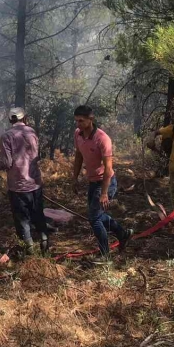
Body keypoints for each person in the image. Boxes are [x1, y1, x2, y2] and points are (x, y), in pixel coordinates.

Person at [72, 105, 133, 264]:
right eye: (76, 120)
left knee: (94, 219)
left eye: (81, 120)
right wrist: (75, 178)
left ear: (91, 119)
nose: (78, 124)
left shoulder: (102, 138)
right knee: (97, 216)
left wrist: (105, 193)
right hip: (92, 182)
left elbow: (108, 169)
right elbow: (78, 157)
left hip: (106, 182)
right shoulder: (78, 134)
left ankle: (105, 255)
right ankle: (122, 234)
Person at [0, 107, 49, 255]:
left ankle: (29, 253)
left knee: (23, 221)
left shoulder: (6, 136)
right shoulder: (32, 132)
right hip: (35, 183)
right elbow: (35, 155)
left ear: (10, 120)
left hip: (18, 186)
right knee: (38, 215)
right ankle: (45, 246)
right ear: (25, 118)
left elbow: (7, 163)